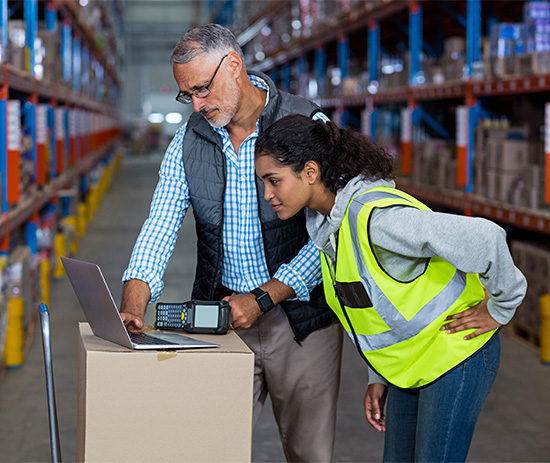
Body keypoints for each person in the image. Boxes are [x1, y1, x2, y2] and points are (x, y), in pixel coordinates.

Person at [120, 25, 343, 462]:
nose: (197, 105)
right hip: (221, 321)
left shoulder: (306, 124)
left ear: (234, 66)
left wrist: (265, 297)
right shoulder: (190, 139)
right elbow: (160, 224)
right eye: (188, 95)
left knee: (308, 454)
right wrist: (133, 301)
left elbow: (332, 230)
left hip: (299, 322)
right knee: (210, 449)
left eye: (203, 89)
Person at [254, 114, 528, 462]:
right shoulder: (327, 228)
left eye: (274, 181)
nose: (268, 194)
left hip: (456, 354)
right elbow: (370, 308)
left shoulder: (377, 218)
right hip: (410, 365)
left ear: (310, 172)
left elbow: (486, 238)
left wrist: (500, 308)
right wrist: (378, 373)